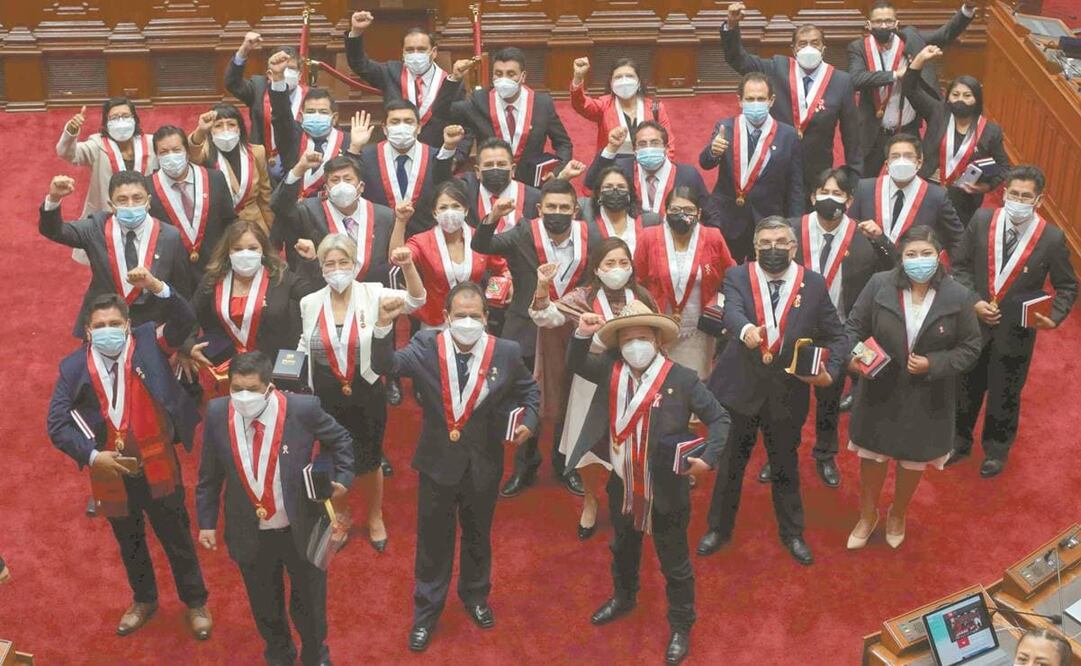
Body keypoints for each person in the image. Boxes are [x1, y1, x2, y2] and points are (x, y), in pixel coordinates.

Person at [371, 282, 540, 652]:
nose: (467, 322)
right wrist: (383, 326)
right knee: (433, 541)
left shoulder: (506, 352)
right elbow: (385, 365)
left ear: (486, 319)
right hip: (436, 463)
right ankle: (426, 611)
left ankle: (476, 596)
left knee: (478, 536)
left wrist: (529, 420)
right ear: (446, 318)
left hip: (484, 462)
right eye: (459, 316)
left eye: (474, 316)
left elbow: (531, 391)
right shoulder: (426, 346)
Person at [566, 301, 730, 665]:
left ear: (657, 340)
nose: (635, 345)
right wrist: (582, 333)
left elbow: (720, 419)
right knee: (622, 549)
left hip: (667, 490)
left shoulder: (682, 379)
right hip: (622, 485)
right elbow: (576, 363)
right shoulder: (610, 370)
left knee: (674, 563)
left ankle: (681, 624)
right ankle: (624, 598)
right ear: (619, 344)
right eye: (628, 339)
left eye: (642, 337)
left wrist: (708, 457)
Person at [46, 283, 211, 639]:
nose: (107, 330)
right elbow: (56, 424)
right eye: (99, 325)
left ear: (127, 325)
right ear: (88, 331)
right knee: (129, 541)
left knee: (177, 536)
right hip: (111, 471)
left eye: (114, 323)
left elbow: (185, 319)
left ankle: (196, 602)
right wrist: (92, 456)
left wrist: (161, 289)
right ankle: (144, 599)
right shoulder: (73, 367)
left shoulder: (150, 342)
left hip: (158, 461)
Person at [697, 217, 849, 565]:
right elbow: (730, 312)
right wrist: (746, 328)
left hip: (787, 393)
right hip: (739, 390)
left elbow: (836, 335)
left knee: (785, 464)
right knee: (731, 464)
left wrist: (831, 371)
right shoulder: (738, 276)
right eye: (765, 243)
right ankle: (718, 528)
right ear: (755, 247)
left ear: (794, 247)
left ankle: (792, 533)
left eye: (781, 242)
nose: (773, 249)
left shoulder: (812, 283)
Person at [196, 351, 354, 665]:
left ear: (269, 388)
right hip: (249, 532)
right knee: (265, 606)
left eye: (251, 389)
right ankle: (279, 654)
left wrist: (341, 479)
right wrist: (206, 522)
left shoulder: (302, 409)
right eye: (235, 388)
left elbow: (341, 440)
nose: (242, 397)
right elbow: (209, 475)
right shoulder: (217, 413)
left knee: (309, 603)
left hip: (302, 528)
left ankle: (315, 654)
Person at [844, 225, 982, 549]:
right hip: (880, 390)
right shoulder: (880, 284)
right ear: (900, 258)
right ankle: (867, 515)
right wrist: (859, 359)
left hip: (928, 397)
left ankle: (897, 513)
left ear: (939, 257)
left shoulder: (958, 295)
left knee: (911, 463)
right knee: (873, 459)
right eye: (911, 254)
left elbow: (971, 347)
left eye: (926, 254)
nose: (919, 260)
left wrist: (934, 364)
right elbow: (853, 328)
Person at [471, 178, 600, 497]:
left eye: (564, 208)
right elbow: (481, 247)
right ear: (541, 209)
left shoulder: (592, 235)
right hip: (526, 327)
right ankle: (524, 465)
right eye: (551, 207)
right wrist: (492, 217)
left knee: (571, 397)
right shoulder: (524, 232)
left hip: (572, 330)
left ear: (575, 210)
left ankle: (564, 462)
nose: (557, 213)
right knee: (526, 398)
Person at [298, 235, 426, 552]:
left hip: (366, 390)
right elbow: (304, 346)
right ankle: (341, 516)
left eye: (344, 262)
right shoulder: (310, 301)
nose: (337, 269)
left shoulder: (374, 293)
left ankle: (374, 516)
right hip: (326, 396)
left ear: (355, 265)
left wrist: (408, 266)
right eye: (330, 263)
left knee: (368, 461)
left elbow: (416, 300)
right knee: (331, 461)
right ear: (321, 267)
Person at [951, 166, 1078, 478]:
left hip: (1017, 332)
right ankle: (958, 440)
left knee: (1005, 392)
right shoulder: (982, 221)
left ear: (1038, 200)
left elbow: (1068, 285)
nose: (1019, 200)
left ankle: (996, 450)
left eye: (1026, 196)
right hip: (974, 325)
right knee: (965, 386)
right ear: (1004, 193)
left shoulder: (1050, 237)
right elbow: (960, 266)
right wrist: (973, 302)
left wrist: (1055, 315)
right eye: (1014, 194)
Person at [777, 168, 896, 489]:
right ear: (813, 196)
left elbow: (893, 270)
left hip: (839, 332)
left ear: (849, 200)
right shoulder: (790, 230)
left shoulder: (862, 236)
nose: (830, 199)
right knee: (788, 400)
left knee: (829, 401)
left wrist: (882, 240)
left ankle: (825, 454)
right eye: (824, 193)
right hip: (795, 329)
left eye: (838, 194)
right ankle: (780, 456)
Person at [531, 238, 656, 538]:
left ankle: (630, 499)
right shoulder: (582, 297)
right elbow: (544, 316)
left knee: (633, 447)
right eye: (609, 263)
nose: (617, 269)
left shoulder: (642, 296)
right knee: (589, 450)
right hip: (589, 382)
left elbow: (659, 336)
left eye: (623, 263)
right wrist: (542, 285)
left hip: (633, 384)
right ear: (597, 269)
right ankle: (590, 501)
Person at [722, 3, 862, 196]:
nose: (809, 48)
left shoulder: (841, 81)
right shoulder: (777, 67)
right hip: (777, 161)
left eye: (814, 43)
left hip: (817, 167)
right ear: (794, 49)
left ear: (824, 48)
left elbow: (851, 134)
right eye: (803, 44)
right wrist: (731, 25)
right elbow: (738, 59)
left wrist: (854, 176)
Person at [39, 172, 194, 337]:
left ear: (148, 202)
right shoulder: (96, 228)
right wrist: (54, 199)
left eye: (137, 198)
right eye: (122, 200)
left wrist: (186, 343)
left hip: (152, 330)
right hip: (103, 326)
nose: (130, 205)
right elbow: (55, 231)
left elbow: (183, 292)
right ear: (111, 205)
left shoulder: (170, 236)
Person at [182, 220, 321, 391]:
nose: (245, 254)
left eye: (253, 248)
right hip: (229, 374)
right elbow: (187, 315)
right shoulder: (213, 280)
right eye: (238, 249)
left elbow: (317, 297)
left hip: (276, 373)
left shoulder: (281, 278)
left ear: (263, 250)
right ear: (228, 252)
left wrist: (312, 262)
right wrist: (188, 346)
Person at [847, 1, 978, 177]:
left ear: (896, 23)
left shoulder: (911, 38)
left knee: (911, 179)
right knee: (865, 182)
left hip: (907, 128)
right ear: (868, 24)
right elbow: (856, 79)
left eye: (888, 21)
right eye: (878, 21)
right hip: (874, 130)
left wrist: (967, 10)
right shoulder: (858, 48)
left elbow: (945, 34)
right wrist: (895, 74)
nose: (884, 25)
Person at [699, 72, 804, 263]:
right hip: (728, 219)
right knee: (728, 276)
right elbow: (705, 163)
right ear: (740, 100)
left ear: (771, 101)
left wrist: (794, 226)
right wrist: (713, 152)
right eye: (750, 99)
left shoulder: (788, 135)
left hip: (767, 221)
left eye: (761, 99)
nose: (755, 103)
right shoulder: (726, 128)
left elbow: (796, 186)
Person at [634, 186, 735, 380]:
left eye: (688, 210)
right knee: (660, 382)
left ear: (698, 213)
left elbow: (732, 277)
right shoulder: (649, 237)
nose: (682, 215)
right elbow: (637, 281)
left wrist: (720, 304)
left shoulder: (713, 237)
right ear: (666, 211)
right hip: (659, 326)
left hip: (699, 329)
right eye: (675, 210)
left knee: (695, 383)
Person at [903, 46, 1011, 226]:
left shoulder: (990, 130)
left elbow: (1003, 166)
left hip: (964, 198)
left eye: (967, 95)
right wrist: (920, 59)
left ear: (977, 100)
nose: (960, 99)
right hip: (927, 186)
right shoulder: (937, 112)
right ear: (948, 97)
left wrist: (986, 186)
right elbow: (910, 89)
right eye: (955, 94)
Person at [433, 50, 574, 184]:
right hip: (489, 182)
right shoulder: (479, 100)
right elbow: (440, 113)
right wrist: (454, 78)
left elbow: (563, 144)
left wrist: (556, 171)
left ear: (523, 77)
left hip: (530, 185)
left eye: (511, 74)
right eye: (498, 74)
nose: (503, 79)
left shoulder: (542, 103)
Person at [402, 180, 509, 329]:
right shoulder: (421, 241)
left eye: (455, 206)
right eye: (443, 207)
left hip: (474, 318)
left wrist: (498, 292)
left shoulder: (480, 239)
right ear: (434, 212)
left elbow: (502, 270)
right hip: (435, 321)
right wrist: (400, 222)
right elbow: (399, 258)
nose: (450, 212)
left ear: (465, 210)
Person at [270, 153, 399, 276]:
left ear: (361, 186)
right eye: (335, 180)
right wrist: (299, 169)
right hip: (322, 289)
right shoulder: (308, 211)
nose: (342, 185)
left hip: (371, 291)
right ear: (326, 189)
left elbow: (392, 262)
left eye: (348, 179)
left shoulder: (385, 216)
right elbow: (279, 206)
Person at [344, 11, 456, 148]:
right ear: (403, 52)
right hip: (395, 150)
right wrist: (356, 32)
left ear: (434, 52)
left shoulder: (449, 82)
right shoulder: (390, 72)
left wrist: (455, 158)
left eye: (421, 49)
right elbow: (360, 64)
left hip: (435, 154)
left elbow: (462, 123)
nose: (415, 54)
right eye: (410, 50)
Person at [847, 134, 965, 261]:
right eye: (895, 156)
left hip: (915, 272)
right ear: (887, 164)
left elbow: (958, 239)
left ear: (919, 163)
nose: (901, 161)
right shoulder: (865, 188)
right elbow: (850, 229)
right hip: (870, 270)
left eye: (908, 156)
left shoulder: (936, 196)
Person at [149, 125, 238, 280]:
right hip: (171, 275)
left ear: (187, 152)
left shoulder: (215, 179)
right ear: (156, 156)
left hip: (214, 270)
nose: (171, 156)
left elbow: (229, 222)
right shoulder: (147, 187)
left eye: (176, 150)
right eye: (164, 152)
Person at [584, 124, 716, 227]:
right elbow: (590, 184)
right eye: (642, 144)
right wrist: (611, 147)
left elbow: (709, 214)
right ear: (634, 150)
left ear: (666, 147)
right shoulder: (623, 169)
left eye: (654, 143)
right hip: (633, 239)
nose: (648, 148)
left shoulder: (687, 175)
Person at [346, 102, 459, 217]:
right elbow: (347, 186)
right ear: (385, 128)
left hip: (424, 231)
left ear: (418, 128)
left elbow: (445, 187)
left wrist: (449, 147)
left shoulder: (437, 157)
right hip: (381, 231)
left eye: (408, 122)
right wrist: (355, 147)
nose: (402, 127)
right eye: (395, 122)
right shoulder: (366, 157)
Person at [56, 98, 157, 219]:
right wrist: (71, 130)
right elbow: (66, 153)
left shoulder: (152, 143)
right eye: (114, 118)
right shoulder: (97, 144)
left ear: (135, 119)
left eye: (125, 116)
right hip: (106, 215)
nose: (121, 121)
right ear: (106, 123)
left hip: (146, 212)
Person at [188, 105, 275, 228]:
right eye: (218, 126)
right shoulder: (204, 154)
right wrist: (200, 131)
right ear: (210, 131)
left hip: (254, 225)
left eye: (231, 124)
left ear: (240, 128)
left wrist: (271, 231)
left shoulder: (257, 152)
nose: (226, 130)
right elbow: (191, 154)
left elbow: (265, 197)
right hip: (220, 227)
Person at [569, 56, 675, 157]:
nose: (624, 81)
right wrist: (578, 77)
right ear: (611, 83)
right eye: (618, 77)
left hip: (647, 165)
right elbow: (580, 104)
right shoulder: (604, 105)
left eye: (630, 76)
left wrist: (661, 167)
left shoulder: (655, 107)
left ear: (638, 82)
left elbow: (668, 143)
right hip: (612, 168)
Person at [224, 33, 305, 160]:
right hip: (262, 161)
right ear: (269, 73)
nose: (284, 72)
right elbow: (232, 83)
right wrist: (244, 50)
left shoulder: (311, 97)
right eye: (281, 67)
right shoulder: (258, 87)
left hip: (298, 162)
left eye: (291, 68)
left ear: (300, 75)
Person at [456, 137, 542, 233]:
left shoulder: (535, 198)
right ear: (477, 171)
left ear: (513, 170)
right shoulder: (464, 195)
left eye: (501, 164)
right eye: (488, 165)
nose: (495, 169)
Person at [580, 166, 660, 254]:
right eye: (608, 186)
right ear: (599, 193)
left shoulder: (650, 221)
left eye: (621, 187)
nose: (615, 191)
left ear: (630, 192)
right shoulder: (585, 215)